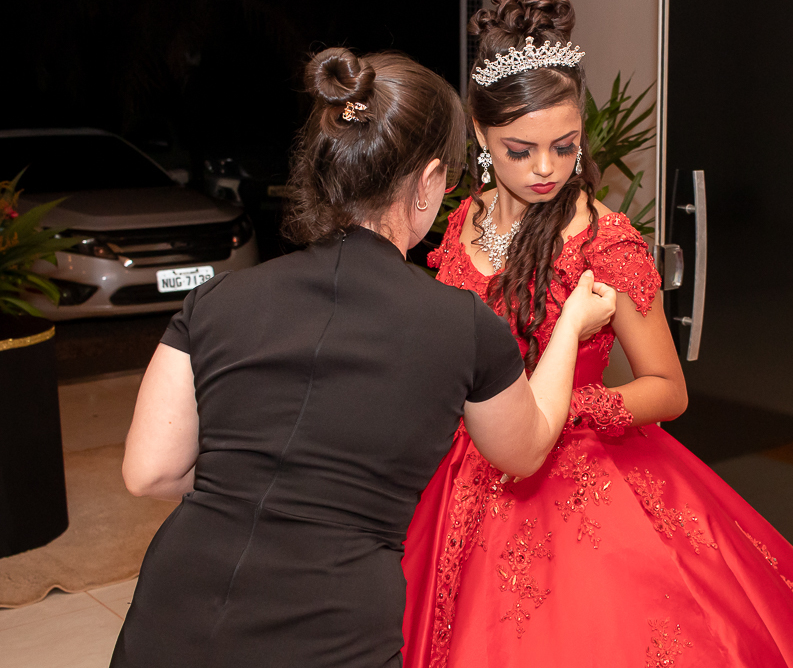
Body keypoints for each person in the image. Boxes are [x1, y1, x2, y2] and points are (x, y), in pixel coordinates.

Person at [400, 0, 793, 667]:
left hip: (581, 474)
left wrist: (551, 412)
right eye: (520, 151)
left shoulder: (607, 243)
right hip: (466, 474)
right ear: (482, 139)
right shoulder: (462, 221)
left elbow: (667, 389)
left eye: (564, 146)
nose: (546, 168)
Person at [109, 48, 616, 668]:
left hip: (175, 606)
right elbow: (525, 446)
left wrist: (257, 481)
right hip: (330, 624)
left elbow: (149, 473)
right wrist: (571, 325)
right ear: (429, 181)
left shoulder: (215, 299)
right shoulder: (463, 326)